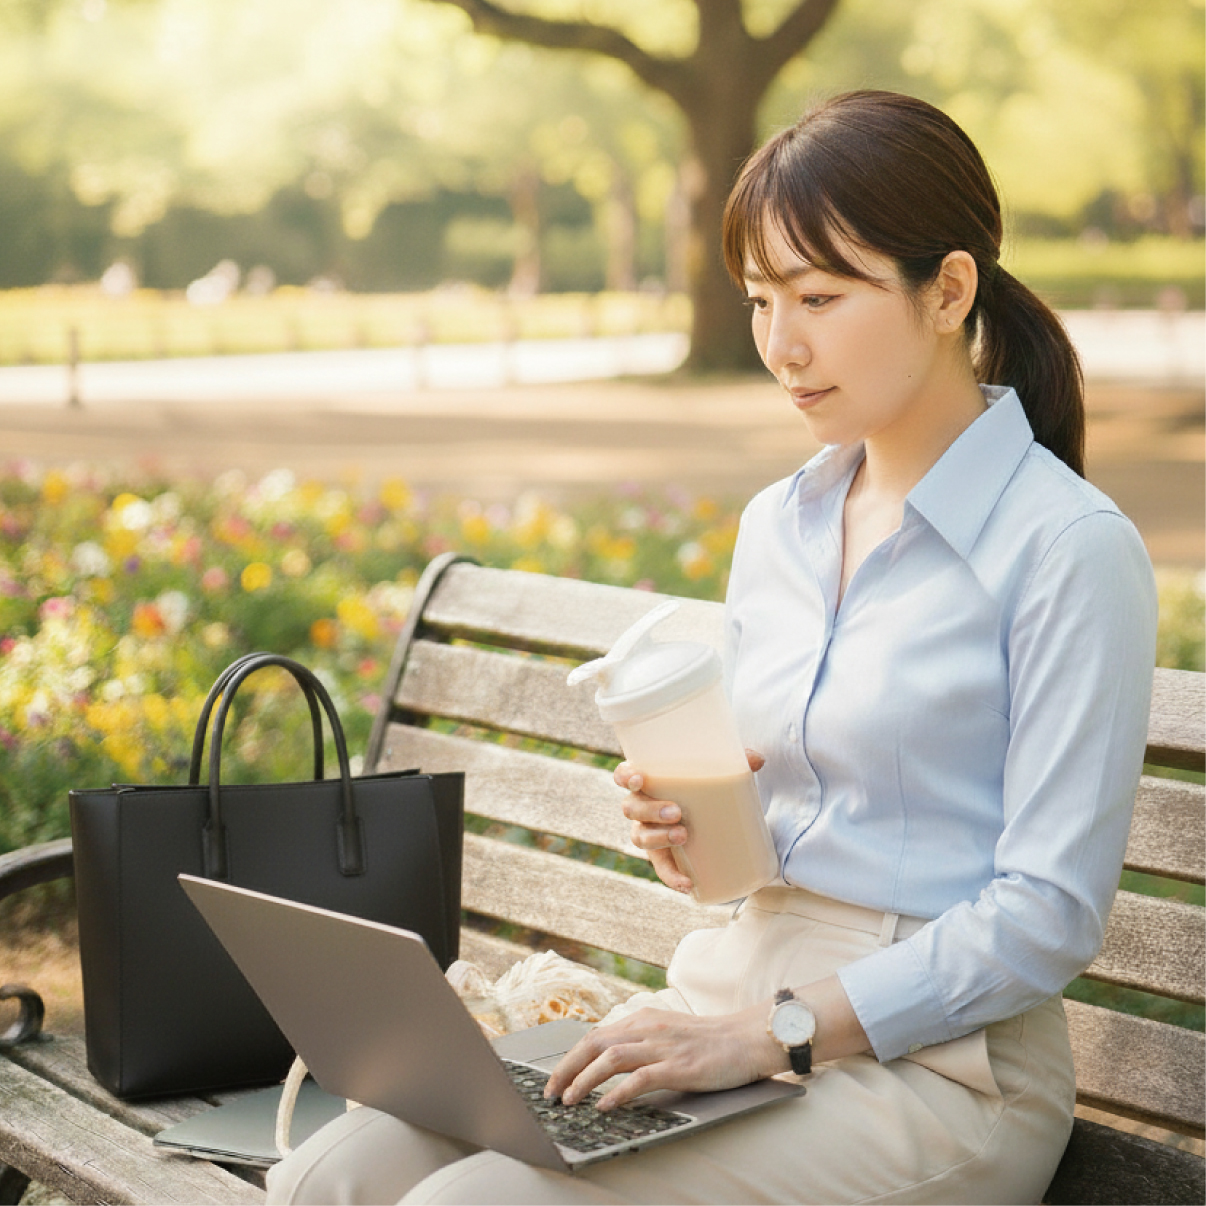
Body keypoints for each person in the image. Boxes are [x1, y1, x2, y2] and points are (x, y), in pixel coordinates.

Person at [266, 90, 1157, 1205]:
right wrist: (698, 836)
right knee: (331, 1176)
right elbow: (774, 845)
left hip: (940, 1077)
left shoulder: (1068, 549)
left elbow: (1046, 918)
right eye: (759, 301)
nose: (783, 345)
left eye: (822, 297)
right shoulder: (779, 525)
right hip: (727, 1007)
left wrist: (771, 1035)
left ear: (950, 290)